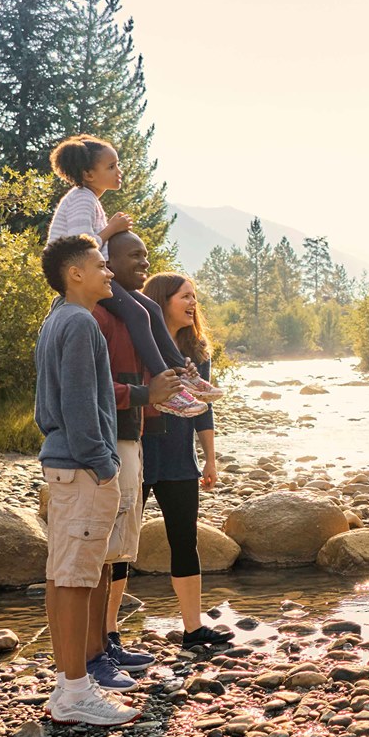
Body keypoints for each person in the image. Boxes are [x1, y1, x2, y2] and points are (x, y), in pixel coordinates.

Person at [34, 234, 139, 726]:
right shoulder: (80, 322)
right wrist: (103, 464)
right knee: (77, 580)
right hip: (82, 467)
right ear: (75, 273)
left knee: (62, 576)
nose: (109, 272)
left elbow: (44, 407)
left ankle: (68, 685)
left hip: (65, 464)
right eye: (101, 264)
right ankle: (75, 693)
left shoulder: (57, 317)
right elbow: (79, 405)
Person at [46, 134, 213, 417]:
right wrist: (112, 228)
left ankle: (181, 373)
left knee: (149, 308)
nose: (118, 171)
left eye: (117, 165)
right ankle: (170, 390)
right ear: (88, 174)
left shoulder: (90, 200)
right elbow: (80, 246)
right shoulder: (82, 199)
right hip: (78, 278)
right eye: (111, 167)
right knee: (137, 315)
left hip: (91, 274)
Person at [89, 231, 183, 685]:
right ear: (105, 260)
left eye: (146, 254)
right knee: (105, 549)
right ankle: (93, 653)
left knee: (121, 546)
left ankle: (108, 640)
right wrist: (147, 394)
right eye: (134, 255)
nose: (143, 261)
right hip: (110, 442)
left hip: (133, 435)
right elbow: (95, 387)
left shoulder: (134, 313)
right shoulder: (100, 316)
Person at [142, 269, 234, 650]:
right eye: (184, 296)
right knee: (121, 544)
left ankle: (193, 629)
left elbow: (204, 411)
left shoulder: (197, 350)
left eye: (194, 296)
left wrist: (210, 459)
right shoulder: (138, 342)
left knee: (185, 540)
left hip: (180, 457)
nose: (193, 302)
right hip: (140, 452)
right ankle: (110, 632)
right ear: (163, 300)